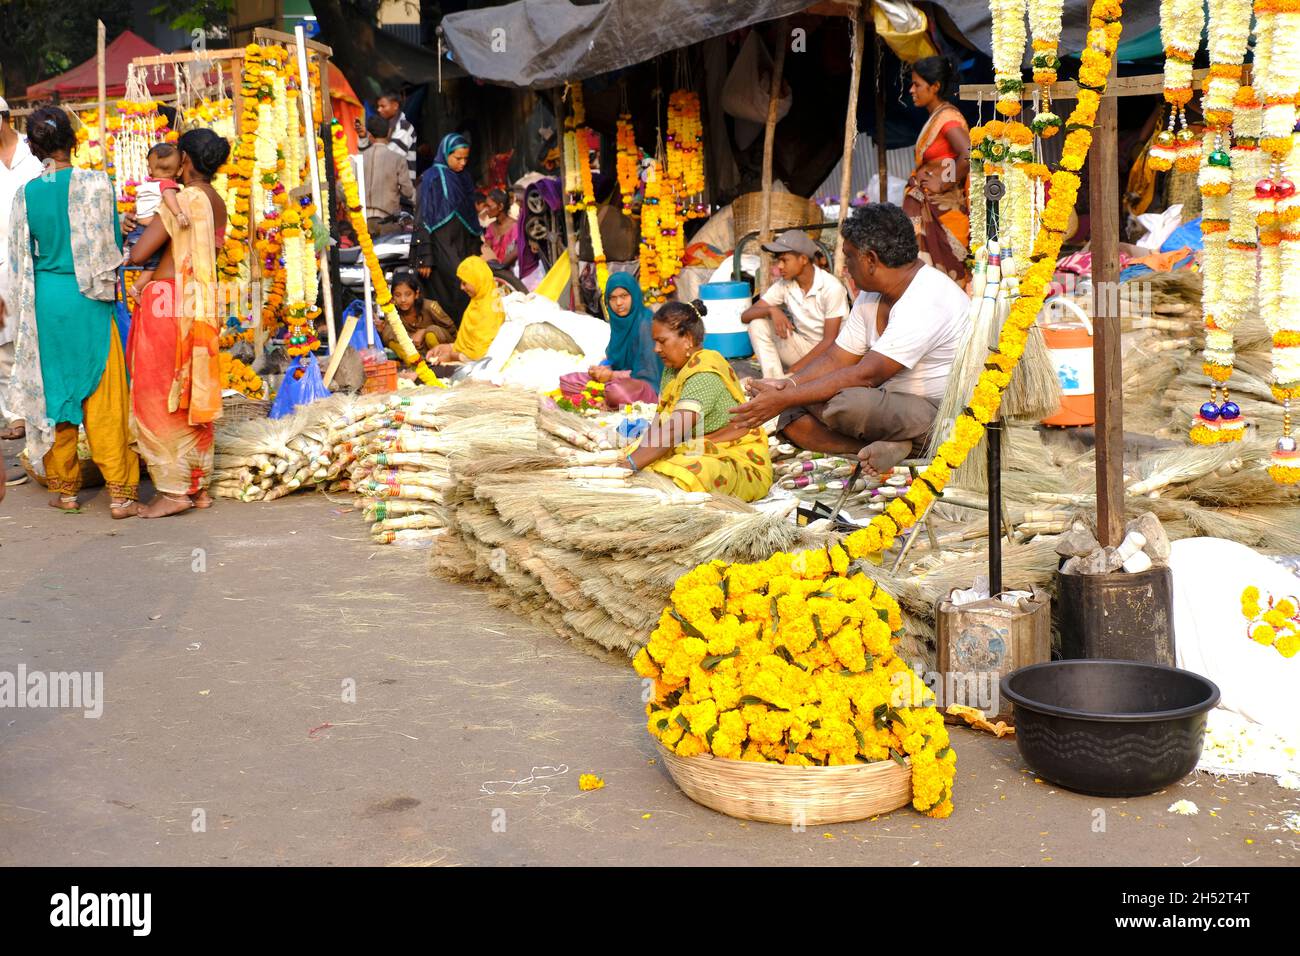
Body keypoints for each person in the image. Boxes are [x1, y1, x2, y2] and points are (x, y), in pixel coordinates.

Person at [730, 203, 970, 478]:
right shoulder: (872, 294)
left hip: (938, 412)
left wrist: (786, 396)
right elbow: (837, 358)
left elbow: (867, 374)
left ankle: (912, 446)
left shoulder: (928, 297)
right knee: (792, 418)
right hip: (885, 404)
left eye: (849, 257)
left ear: (870, 260)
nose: (844, 267)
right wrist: (787, 385)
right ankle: (890, 447)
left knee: (848, 405)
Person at [4, 107, 140, 516]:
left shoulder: (26, 193)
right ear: (74, 143)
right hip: (88, 302)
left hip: (46, 302)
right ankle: (120, 494)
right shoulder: (97, 184)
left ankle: (65, 489)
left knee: (55, 392)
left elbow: (17, 258)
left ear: (33, 146)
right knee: (102, 393)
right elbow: (108, 249)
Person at [126, 127, 230, 518]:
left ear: (184, 160)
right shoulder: (216, 200)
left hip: (167, 307)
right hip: (197, 304)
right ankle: (196, 485)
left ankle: (172, 491)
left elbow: (140, 253)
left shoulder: (183, 200)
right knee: (192, 394)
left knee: (160, 396)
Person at [621, 299, 772, 502]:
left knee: (697, 471)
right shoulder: (673, 369)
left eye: (662, 341)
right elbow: (660, 424)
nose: (656, 349)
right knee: (638, 451)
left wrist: (630, 465)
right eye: (655, 342)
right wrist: (632, 459)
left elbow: (674, 429)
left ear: (688, 339)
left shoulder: (705, 371)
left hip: (734, 457)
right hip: (696, 446)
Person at [740, 229, 850, 381]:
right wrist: (771, 310)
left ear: (803, 259)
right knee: (757, 324)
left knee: (799, 381)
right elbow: (745, 316)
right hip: (804, 350)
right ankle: (773, 381)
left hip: (832, 356)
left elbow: (829, 341)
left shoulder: (831, 287)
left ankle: (782, 385)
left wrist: (795, 370)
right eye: (778, 260)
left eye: (784, 260)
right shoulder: (785, 285)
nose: (779, 266)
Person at [902, 56, 971, 284]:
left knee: (945, 279)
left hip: (943, 212)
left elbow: (968, 154)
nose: (911, 90)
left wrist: (943, 183)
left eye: (917, 84)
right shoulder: (937, 116)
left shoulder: (947, 118)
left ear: (935, 87)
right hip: (928, 208)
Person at [0, 96, 43, 450]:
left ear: (5, 119)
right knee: (3, 343)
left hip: (34, 258)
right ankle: (14, 415)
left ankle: (36, 410)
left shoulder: (35, 157)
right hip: (0, 261)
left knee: (33, 336)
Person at [562, 271, 662, 407]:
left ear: (634, 295)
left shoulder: (646, 323)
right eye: (613, 298)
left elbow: (648, 373)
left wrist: (611, 376)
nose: (618, 303)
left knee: (618, 394)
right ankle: (607, 395)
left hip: (644, 385)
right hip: (618, 380)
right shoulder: (619, 322)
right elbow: (614, 357)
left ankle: (609, 397)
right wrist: (601, 368)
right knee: (569, 381)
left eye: (624, 296)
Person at [412, 133, 482, 321]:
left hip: (463, 243)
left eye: (466, 159)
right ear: (445, 154)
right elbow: (422, 217)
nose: (463, 163)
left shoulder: (464, 178)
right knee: (454, 284)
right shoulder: (431, 178)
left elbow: (471, 215)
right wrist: (424, 257)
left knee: (469, 285)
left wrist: (476, 247)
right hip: (440, 244)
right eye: (458, 158)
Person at [125, 143, 188, 299]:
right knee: (153, 266)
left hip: (136, 232)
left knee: (143, 260)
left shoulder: (144, 187)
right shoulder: (168, 186)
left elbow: (136, 208)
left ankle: (126, 254)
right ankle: (135, 288)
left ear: (150, 169)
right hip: (149, 233)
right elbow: (169, 199)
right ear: (179, 170)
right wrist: (179, 214)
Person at [425, 255, 504, 364]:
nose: (461, 287)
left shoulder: (489, 309)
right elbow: (468, 344)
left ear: (477, 280)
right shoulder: (477, 302)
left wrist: (452, 356)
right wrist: (447, 347)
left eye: (464, 283)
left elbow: (480, 355)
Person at [360, 114, 414, 237]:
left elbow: (341, 188)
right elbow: (408, 191)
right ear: (389, 132)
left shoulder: (358, 158)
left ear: (370, 136)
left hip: (362, 223)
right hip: (387, 223)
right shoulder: (398, 159)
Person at [356, 90, 417, 191]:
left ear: (395, 106)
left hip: (402, 193)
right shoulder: (386, 127)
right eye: (378, 106)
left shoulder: (404, 128)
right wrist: (363, 137)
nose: (379, 110)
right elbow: (366, 157)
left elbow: (389, 158)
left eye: (383, 106)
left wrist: (373, 143)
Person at [383, 272, 455, 353]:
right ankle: (411, 361)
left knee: (431, 333)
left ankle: (439, 359)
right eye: (398, 295)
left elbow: (451, 330)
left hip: (442, 347)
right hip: (414, 349)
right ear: (392, 297)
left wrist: (424, 331)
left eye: (408, 294)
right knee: (388, 331)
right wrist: (410, 338)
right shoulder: (392, 312)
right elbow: (388, 336)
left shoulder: (430, 306)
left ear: (416, 294)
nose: (403, 299)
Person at [481, 188, 517, 270]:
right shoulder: (491, 227)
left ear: (500, 207)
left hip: (511, 271)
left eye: (489, 206)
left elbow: (517, 250)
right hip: (495, 271)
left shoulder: (514, 226)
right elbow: (488, 249)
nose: (486, 210)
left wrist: (501, 266)